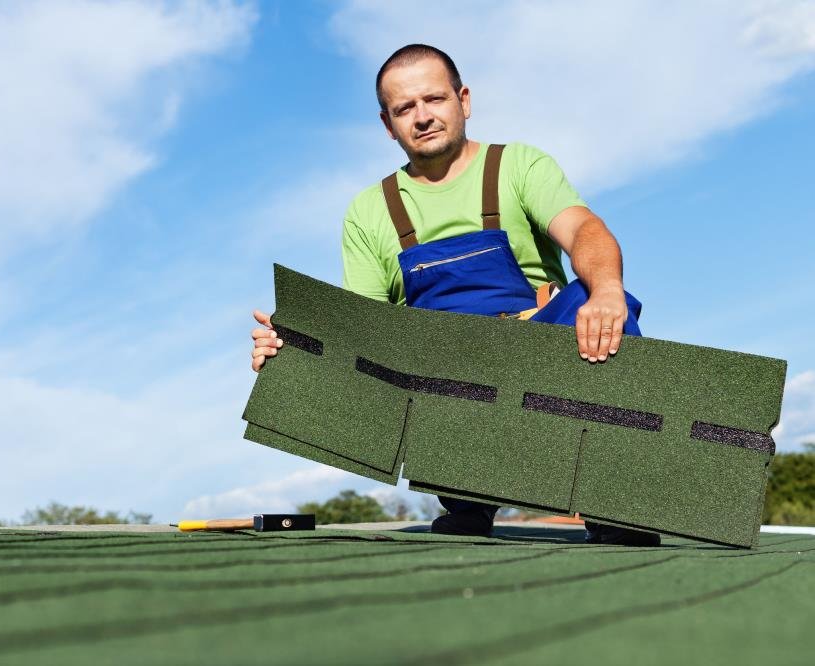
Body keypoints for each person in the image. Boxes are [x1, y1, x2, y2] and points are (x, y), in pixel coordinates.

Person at [251, 44, 659, 546]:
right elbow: (363, 335)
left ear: (463, 100)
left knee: (593, 301)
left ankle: (618, 502)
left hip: (539, 354)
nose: (422, 117)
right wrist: (295, 348)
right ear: (387, 124)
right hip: (444, 382)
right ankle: (466, 501)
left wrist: (607, 290)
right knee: (386, 356)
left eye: (434, 99)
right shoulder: (368, 211)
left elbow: (585, 231)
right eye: (404, 109)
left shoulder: (519, 166)